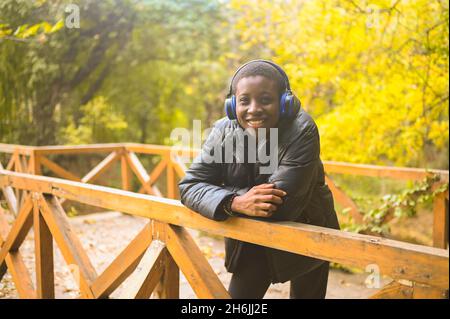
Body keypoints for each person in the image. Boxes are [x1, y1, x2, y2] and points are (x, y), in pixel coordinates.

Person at [178, 60, 340, 299]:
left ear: (285, 103)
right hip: (251, 239)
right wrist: (235, 201)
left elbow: (279, 207)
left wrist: (221, 191)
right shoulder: (222, 130)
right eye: (244, 100)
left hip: (310, 231)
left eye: (265, 99)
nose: (253, 109)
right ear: (233, 105)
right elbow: (190, 186)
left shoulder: (303, 129)